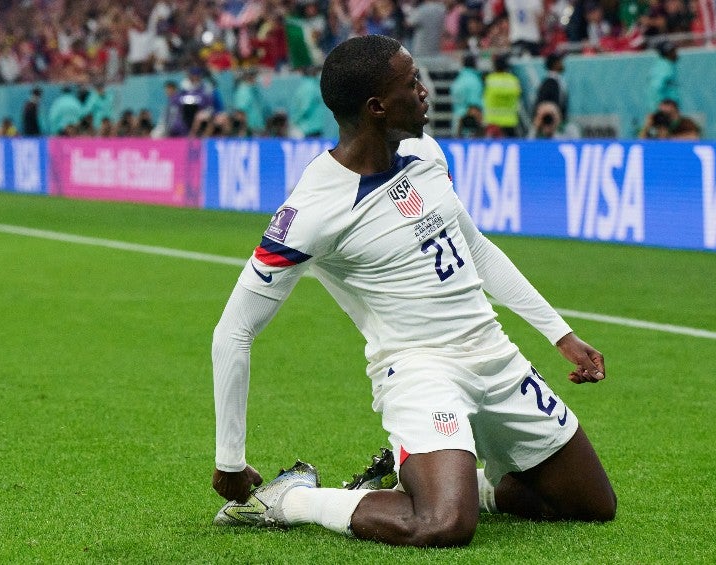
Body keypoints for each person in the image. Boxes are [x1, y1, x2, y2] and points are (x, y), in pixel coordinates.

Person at [210, 34, 615, 548]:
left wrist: (560, 334)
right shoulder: (312, 209)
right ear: (377, 107)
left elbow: (475, 247)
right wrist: (230, 460)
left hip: (494, 356)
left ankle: (454, 483)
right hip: (419, 370)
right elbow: (234, 331)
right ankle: (291, 499)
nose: (425, 92)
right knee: (444, 525)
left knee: (591, 504)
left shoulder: (425, 152)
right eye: (412, 83)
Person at [482, 53, 523, 138]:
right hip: (510, 121)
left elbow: (483, 96)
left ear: (494, 66)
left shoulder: (489, 79)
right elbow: (518, 95)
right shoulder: (513, 80)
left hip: (493, 121)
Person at [448, 53, 484, 133]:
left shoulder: (458, 80)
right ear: (475, 64)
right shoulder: (474, 81)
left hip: (456, 122)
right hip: (468, 128)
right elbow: (474, 108)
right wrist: (482, 129)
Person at [533, 52, 569, 124]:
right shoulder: (549, 83)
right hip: (550, 123)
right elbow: (543, 104)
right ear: (554, 64)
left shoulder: (558, 81)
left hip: (557, 120)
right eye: (560, 62)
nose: (562, 64)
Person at [647, 40, 680, 112]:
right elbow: (656, 87)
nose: (676, 54)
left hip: (667, 107)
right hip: (665, 109)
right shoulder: (665, 67)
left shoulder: (665, 65)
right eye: (673, 51)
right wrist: (662, 106)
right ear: (667, 54)